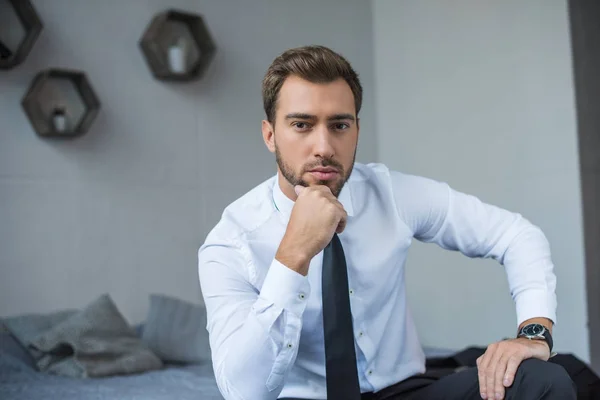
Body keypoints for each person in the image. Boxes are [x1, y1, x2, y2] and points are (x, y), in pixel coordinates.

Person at [197, 45, 576, 400]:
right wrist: (294, 252)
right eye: (302, 125)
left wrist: (534, 333)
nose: (324, 147)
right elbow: (243, 390)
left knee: (547, 380)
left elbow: (516, 234)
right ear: (270, 135)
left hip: (404, 390)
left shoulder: (391, 194)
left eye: (339, 125)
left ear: (357, 130)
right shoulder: (231, 243)